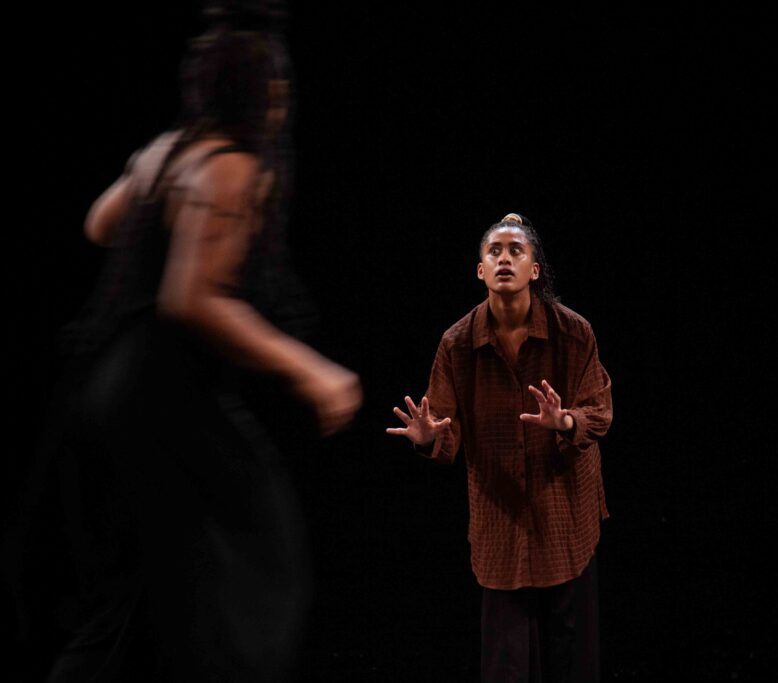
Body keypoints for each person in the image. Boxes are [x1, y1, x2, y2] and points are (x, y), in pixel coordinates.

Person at [37, 3, 361, 681]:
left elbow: (100, 224)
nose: (280, 101)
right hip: (165, 393)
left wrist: (155, 188)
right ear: (253, 92)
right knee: (258, 566)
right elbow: (195, 298)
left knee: (136, 592)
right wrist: (311, 370)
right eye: (272, 87)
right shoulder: (234, 168)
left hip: (107, 386)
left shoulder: (168, 151)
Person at [387, 213, 612, 682]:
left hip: (565, 511)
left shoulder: (574, 333)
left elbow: (600, 411)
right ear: (480, 271)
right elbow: (445, 433)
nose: (504, 258)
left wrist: (565, 420)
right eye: (494, 251)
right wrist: (428, 439)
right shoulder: (457, 344)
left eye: (516, 251)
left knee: (573, 658)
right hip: (500, 520)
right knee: (506, 665)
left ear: (534, 269)